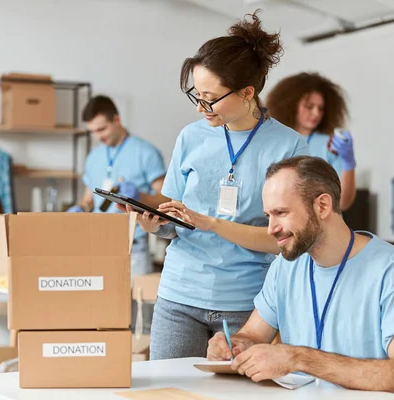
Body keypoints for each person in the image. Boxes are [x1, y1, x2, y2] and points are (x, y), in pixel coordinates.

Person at [132, 10, 308, 360]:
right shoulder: (190, 137)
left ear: (246, 92)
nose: (200, 107)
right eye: (195, 94)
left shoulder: (289, 147)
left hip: (248, 305)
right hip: (179, 294)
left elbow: (285, 243)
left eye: (209, 97)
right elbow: (178, 220)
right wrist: (157, 225)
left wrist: (211, 222)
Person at [206, 156, 394, 400]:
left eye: (281, 213)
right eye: (268, 216)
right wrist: (235, 345)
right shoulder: (285, 266)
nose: (271, 228)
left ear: (322, 206)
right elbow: (252, 335)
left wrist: (298, 358)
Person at [66, 95, 167, 333]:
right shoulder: (94, 158)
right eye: (93, 131)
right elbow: (88, 199)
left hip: (135, 247)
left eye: (102, 128)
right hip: (98, 247)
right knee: (103, 315)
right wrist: (80, 208)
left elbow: (165, 199)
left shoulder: (146, 152)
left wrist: (140, 196)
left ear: (117, 119)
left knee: (137, 319)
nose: (99, 136)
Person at [265, 72, 357, 210]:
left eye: (320, 108)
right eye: (309, 106)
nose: (316, 113)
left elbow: (342, 203)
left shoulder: (329, 145)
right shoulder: (275, 141)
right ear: (291, 105)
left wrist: (348, 163)